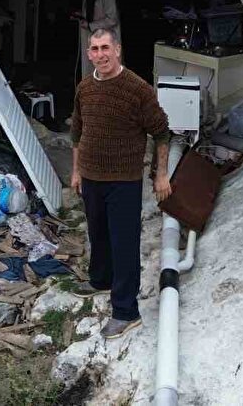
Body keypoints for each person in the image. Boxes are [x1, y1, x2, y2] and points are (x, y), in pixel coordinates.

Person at [69, 28, 172, 339]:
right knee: (97, 233)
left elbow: (163, 132)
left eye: (105, 48)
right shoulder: (85, 88)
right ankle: (100, 279)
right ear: (89, 54)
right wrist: (76, 171)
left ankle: (126, 312)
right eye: (95, 49)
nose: (100, 55)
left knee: (123, 243)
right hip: (91, 177)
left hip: (123, 181)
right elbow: (77, 132)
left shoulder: (137, 89)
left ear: (117, 50)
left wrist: (161, 174)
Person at [72, 0, 120, 83]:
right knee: (91, 71)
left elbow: (112, 19)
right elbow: (91, 12)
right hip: (91, 37)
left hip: (105, 38)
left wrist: (91, 25)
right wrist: (81, 16)